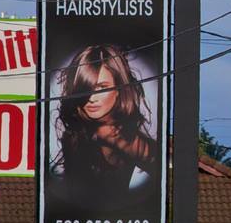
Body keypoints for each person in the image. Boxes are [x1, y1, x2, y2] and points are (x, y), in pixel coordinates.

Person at [51, 43, 157, 199]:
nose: (92, 98)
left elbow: (160, 166)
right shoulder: (76, 134)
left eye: (102, 88)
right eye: (85, 88)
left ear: (119, 90)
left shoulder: (115, 135)